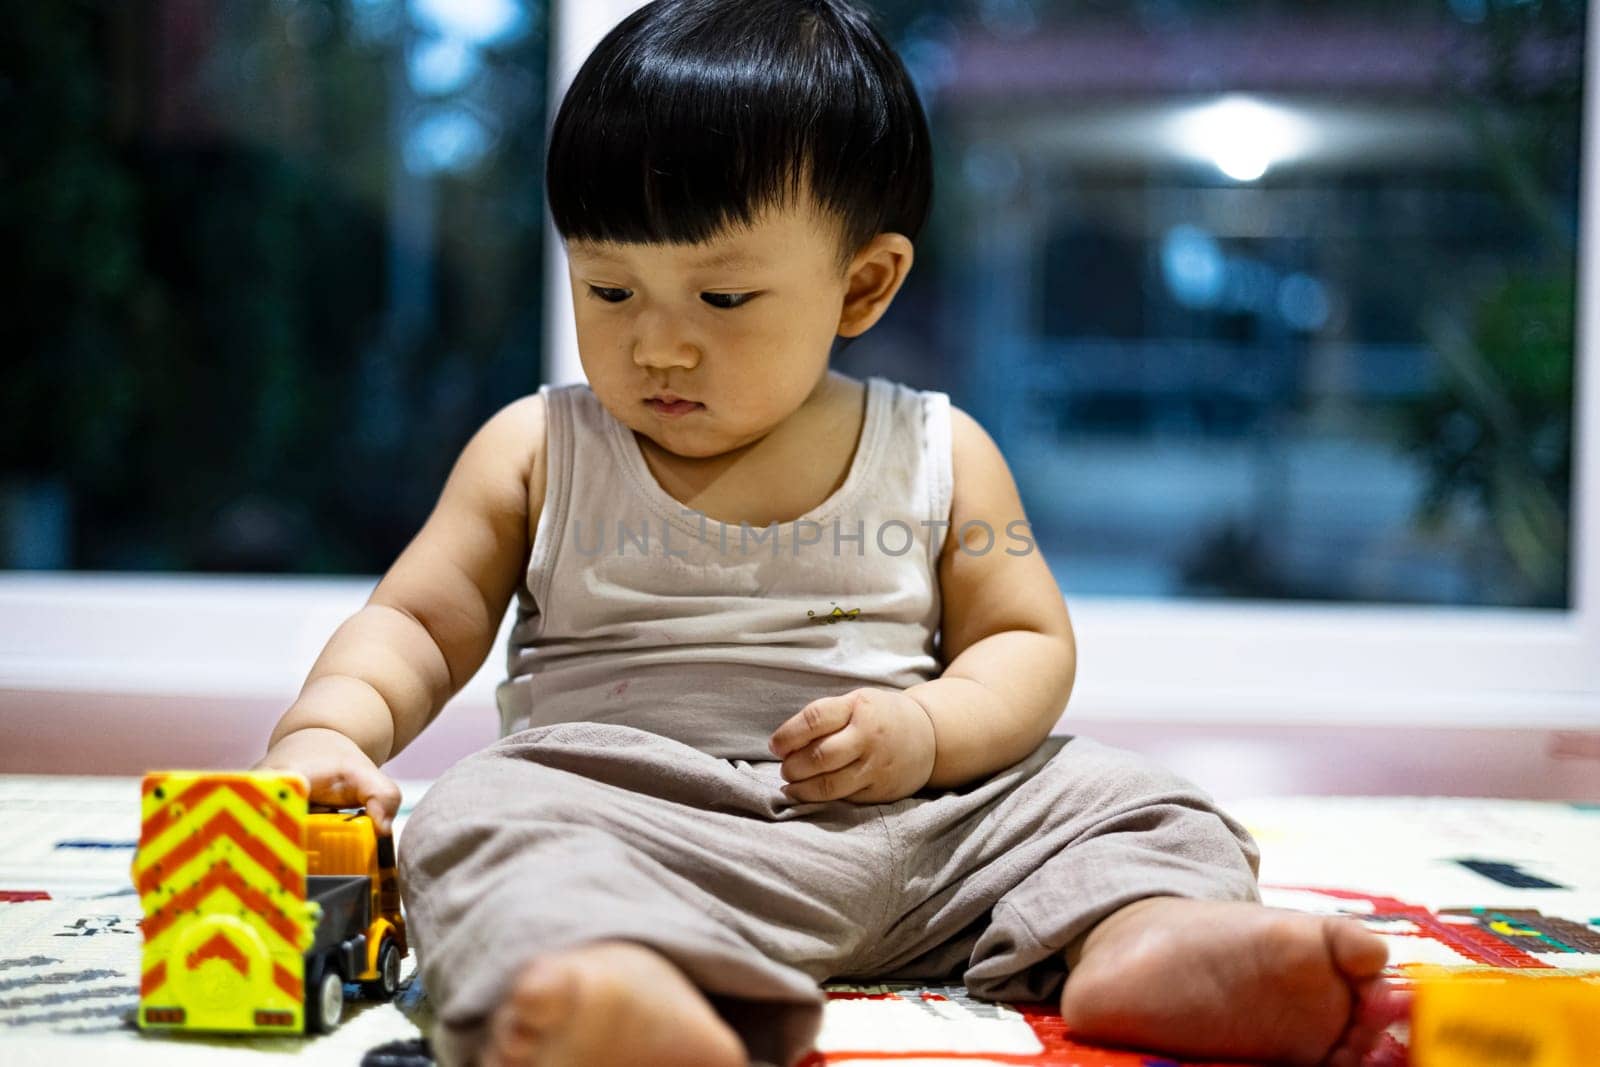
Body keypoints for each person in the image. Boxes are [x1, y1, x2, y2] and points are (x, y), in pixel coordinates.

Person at [256, 2, 1403, 1065]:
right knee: (478, 816)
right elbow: (415, 620)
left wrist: (926, 726)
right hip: (631, 828)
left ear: (861, 287)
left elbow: (1024, 644)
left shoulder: (939, 453)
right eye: (610, 292)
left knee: (1142, 801)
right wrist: (325, 729)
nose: (658, 346)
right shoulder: (536, 448)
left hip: (918, 831)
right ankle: (614, 983)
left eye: (720, 299)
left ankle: (1147, 945)